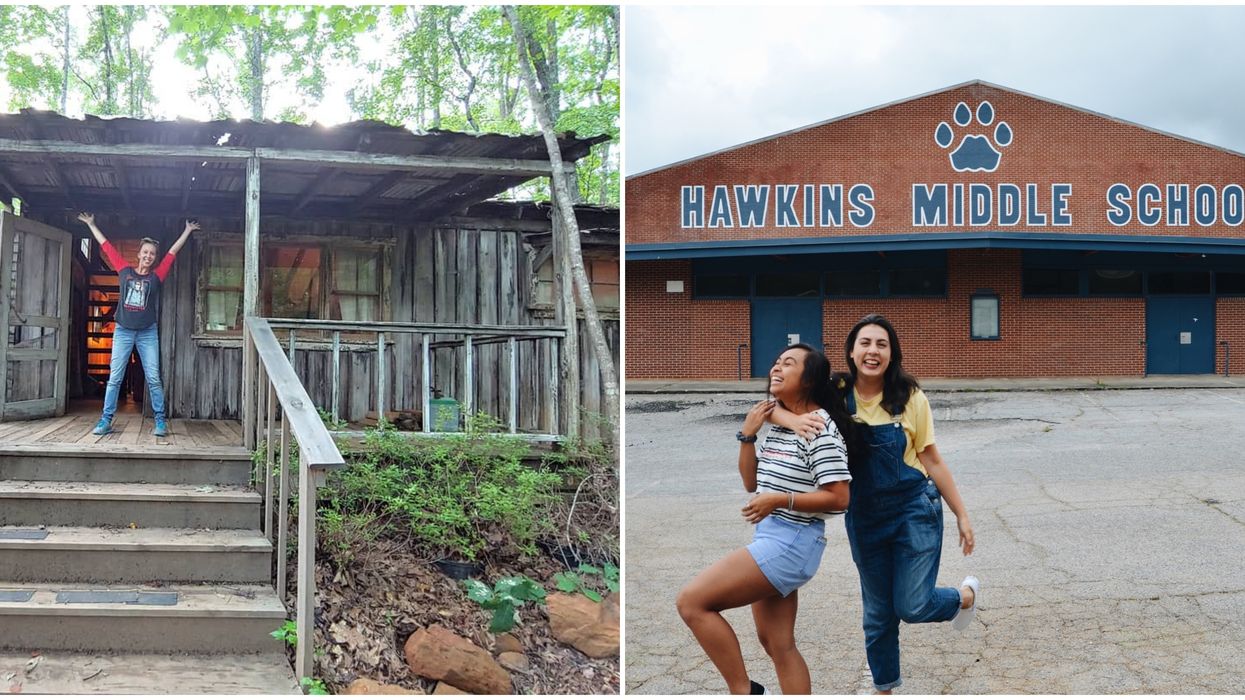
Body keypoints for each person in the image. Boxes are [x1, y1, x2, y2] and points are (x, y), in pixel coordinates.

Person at [776, 314, 979, 694]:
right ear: (851, 352)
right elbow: (774, 401)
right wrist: (791, 420)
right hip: (865, 516)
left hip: (914, 509)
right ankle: (884, 687)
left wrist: (962, 515)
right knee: (878, 616)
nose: (873, 351)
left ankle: (964, 597)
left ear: (891, 353)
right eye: (865, 343)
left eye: (881, 344)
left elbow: (932, 458)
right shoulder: (834, 392)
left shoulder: (910, 397)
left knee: (913, 606)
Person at [676, 343, 866, 695]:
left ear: (809, 380)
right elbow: (751, 482)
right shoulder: (782, 423)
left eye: (789, 364)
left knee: (692, 602)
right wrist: (748, 436)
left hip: (792, 541)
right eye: (776, 362)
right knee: (778, 644)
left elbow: (840, 498)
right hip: (775, 538)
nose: (776, 368)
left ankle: (743, 690)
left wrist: (781, 500)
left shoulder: (817, 430)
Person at [78, 213, 199, 437]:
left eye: (152, 254)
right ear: (139, 254)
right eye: (145, 252)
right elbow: (106, 245)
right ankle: (106, 420)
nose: (148, 256)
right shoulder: (124, 271)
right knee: (115, 377)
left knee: (153, 376)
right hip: (123, 331)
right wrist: (92, 224)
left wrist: (187, 231)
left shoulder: (156, 277)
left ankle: (160, 422)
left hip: (147, 333)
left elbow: (172, 253)